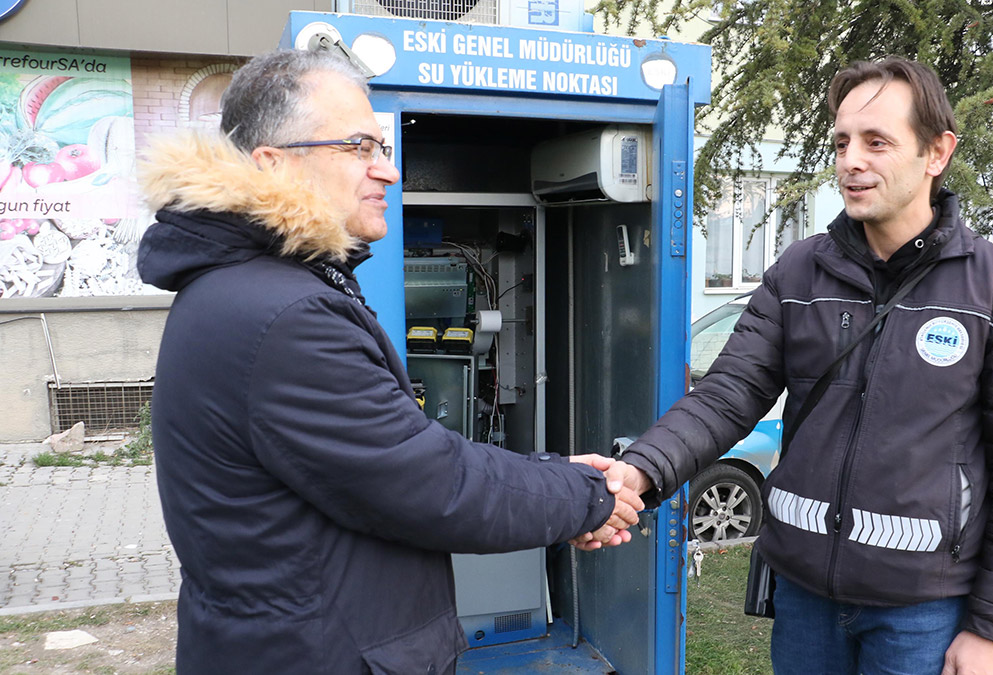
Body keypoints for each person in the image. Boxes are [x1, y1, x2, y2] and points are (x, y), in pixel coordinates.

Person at [137, 49, 641, 674]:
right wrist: (585, 493)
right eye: (360, 148)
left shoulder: (253, 288)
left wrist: (558, 477)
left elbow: (406, 467)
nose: (390, 172)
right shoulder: (283, 314)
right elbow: (429, 483)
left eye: (381, 147)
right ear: (273, 162)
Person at [611, 57, 993, 674]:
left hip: (922, 610)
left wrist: (991, 629)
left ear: (937, 153)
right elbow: (727, 396)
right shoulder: (799, 272)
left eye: (877, 142)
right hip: (804, 600)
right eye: (843, 142)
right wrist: (638, 472)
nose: (852, 160)